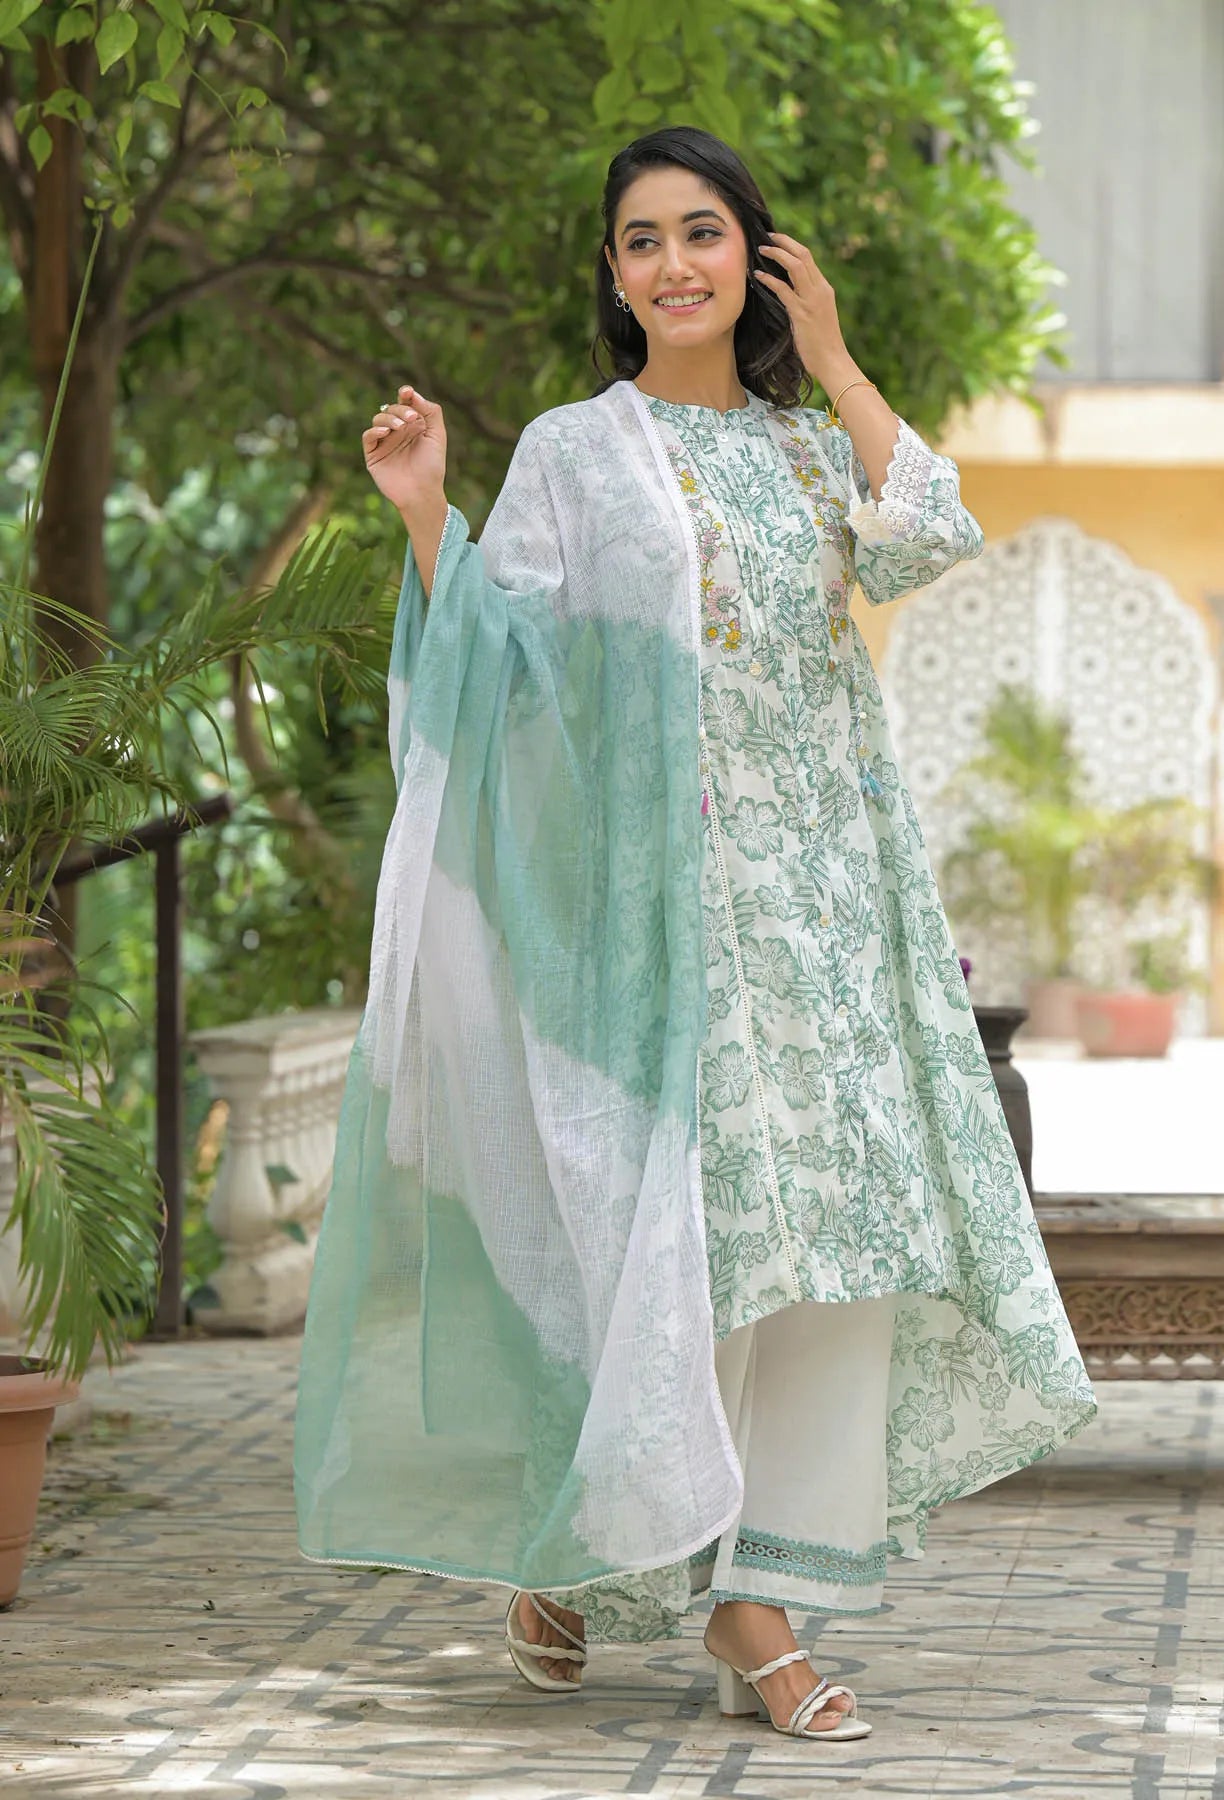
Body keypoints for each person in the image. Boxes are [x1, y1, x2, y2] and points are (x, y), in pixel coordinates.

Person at [294, 126, 1096, 1746]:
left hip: (833, 899)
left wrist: (847, 365)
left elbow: (929, 537)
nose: (675, 265)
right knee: (707, 1235)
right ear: (614, 274)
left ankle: (648, 1562)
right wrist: (427, 516)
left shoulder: (812, 449)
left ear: (756, 259)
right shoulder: (584, 453)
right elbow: (504, 664)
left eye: (705, 234)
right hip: (669, 906)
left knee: (839, 1236)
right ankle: (721, 1599)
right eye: (643, 241)